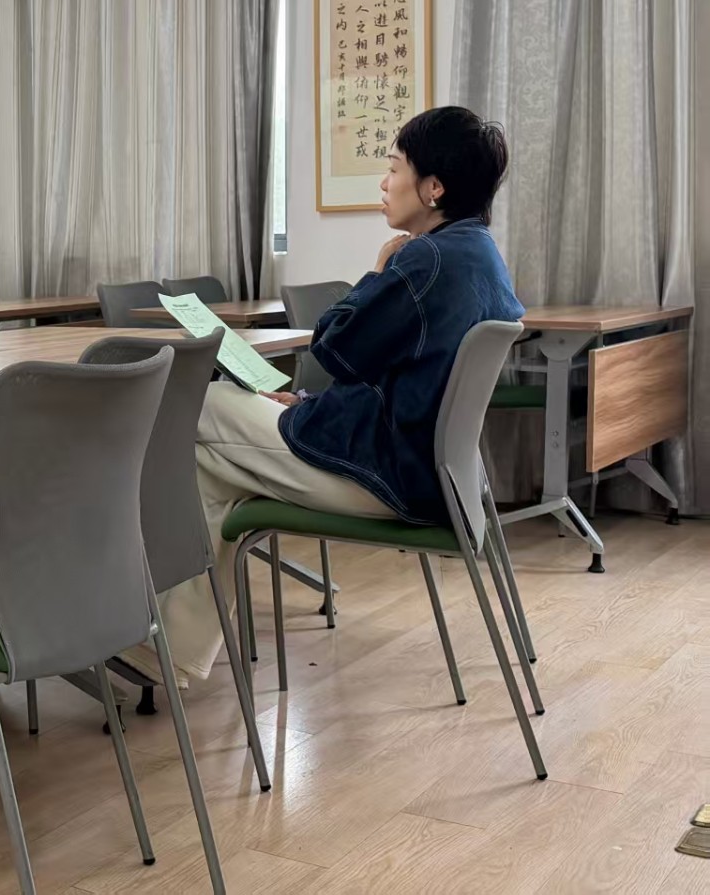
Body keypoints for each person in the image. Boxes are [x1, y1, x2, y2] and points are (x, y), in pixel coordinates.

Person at [162, 106, 523, 681]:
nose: (384, 183)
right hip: (436, 477)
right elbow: (388, 378)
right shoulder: (479, 255)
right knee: (217, 465)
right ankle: (170, 650)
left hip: (386, 475)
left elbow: (333, 351)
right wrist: (309, 405)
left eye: (394, 168)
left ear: (433, 188)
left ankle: (161, 647)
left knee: (198, 409)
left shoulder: (424, 260)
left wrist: (377, 270)